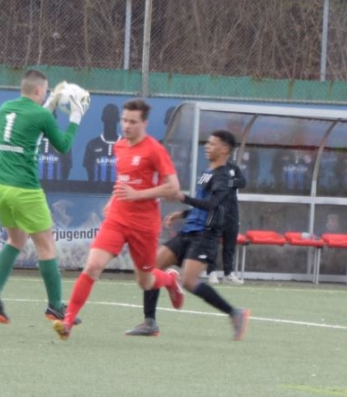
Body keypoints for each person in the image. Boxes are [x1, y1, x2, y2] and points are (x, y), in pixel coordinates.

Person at [52, 99, 186, 340]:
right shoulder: (120, 146)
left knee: (145, 281)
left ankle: (170, 280)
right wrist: (114, 200)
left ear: (144, 123)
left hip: (144, 224)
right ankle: (68, 321)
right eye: (124, 120)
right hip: (117, 219)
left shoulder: (154, 150)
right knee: (93, 265)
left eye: (132, 122)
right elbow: (123, 179)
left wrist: (138, 195)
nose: (126, 126)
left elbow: (173, 187)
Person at [0, 71, 88, 324]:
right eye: (46, 91)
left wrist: (50, 103)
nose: (47, 94)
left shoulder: (6, 108)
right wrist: (76, 117)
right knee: (46, 245)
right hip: (24, 188)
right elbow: (63, 145)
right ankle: (55, 307)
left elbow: (32, 124)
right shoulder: (41, 115)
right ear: (38, 91)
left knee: (15, 239)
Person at [123, 130, 251, 340]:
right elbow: (204, 205)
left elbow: (212, 205)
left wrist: (183, 197)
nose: (207, 146)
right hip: (189, 231)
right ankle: (149, 322)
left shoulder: (224, 176)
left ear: (225, 149)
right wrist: (183, 214)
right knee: (152, 267)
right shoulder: (208, 171)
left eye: (212, 144)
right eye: (207, 143)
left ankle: (235, 313)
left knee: (189, 282)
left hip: (205, 236)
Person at [206, 160, 246, 285]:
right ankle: (211, 272)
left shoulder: (233, 167)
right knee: (213, 243)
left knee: (230, 244)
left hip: (232, 211)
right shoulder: (211, 168)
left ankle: (228, 273)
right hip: (217, 210)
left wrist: (229, 182)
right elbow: (203, 184)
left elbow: (243, 182)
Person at [82, 104, 121, 182]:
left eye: (113, 118)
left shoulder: (127, 145)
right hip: (97, 189)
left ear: (118, 120)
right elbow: (90, 176)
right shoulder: (92, 145)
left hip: (120, 189)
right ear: (102, 119)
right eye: (107, 118)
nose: (110, 121)